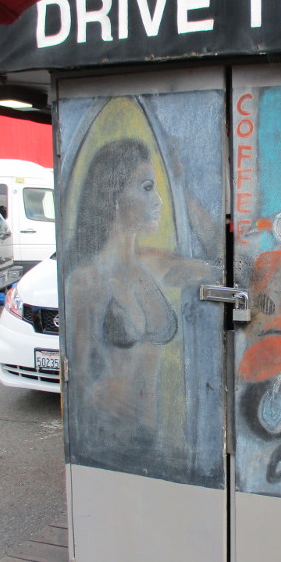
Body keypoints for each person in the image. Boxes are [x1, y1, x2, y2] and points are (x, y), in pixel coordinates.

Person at [66, 137, 216, 474]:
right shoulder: (87, 281)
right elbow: (76, 373)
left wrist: (181, 187)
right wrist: (94, 396)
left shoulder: (154, 264)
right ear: (114, 196)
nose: (159, 200)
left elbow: (224, 263)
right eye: (147, 188)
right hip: (110, 440)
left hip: (154, 438)